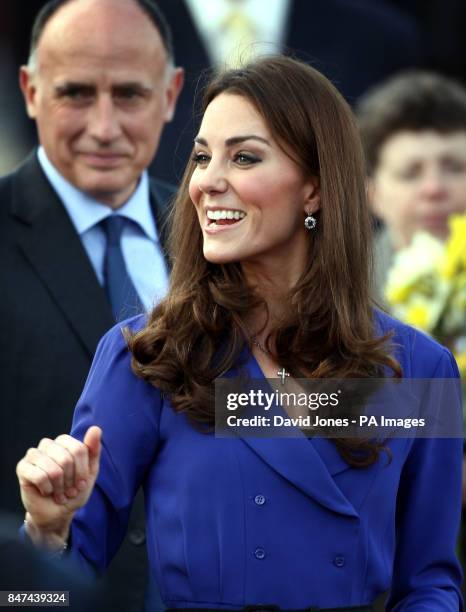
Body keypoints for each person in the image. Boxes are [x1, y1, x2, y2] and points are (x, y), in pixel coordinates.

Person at [16, 56, 462, 610]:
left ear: (315, 191)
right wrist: (46, 532)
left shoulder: (419, 367)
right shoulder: (147, 357)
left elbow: (432, 584)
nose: (207, 181)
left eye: (244, 157)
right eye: (202, 157)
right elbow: (37, 601)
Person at [0, 0, 183, 610]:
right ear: (29, 90)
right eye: (76, 93)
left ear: (171, 95)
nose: (104, 127)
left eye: (129, 95)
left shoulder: (223, 238)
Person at [356, 71, 466, 297]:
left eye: (455, 168)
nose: (434, 188)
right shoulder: (342, 296)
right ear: (372, 195)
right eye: (409, 173)